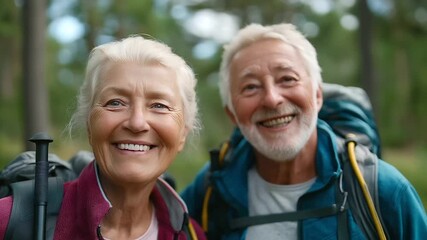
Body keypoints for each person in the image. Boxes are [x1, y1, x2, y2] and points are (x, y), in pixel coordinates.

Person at [181, 23, 427, 239]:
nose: (272, 99)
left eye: (287, 79)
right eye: (251, 87)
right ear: (232, 114)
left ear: (317, 95)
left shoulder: (383, 190)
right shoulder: (210, 191)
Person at [0, 36, 206, 239]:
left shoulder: (190, 234)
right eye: (115, 102)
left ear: (182, 133)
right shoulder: (8, 220)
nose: (137, 123)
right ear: (89, 123)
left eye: (159, 106)